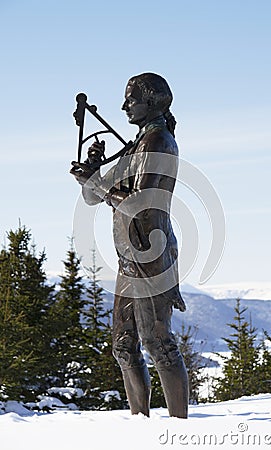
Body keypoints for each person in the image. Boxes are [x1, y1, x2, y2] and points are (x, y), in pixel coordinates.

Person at [70, 73, 189, 418]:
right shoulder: (135, 145)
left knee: (158, 343)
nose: (124, 106)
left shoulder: (159, 142)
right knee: (124, 346)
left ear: (152, 103)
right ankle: (140, 425)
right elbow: (93, 197)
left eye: (131, 99)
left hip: (151, 257)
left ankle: (179, 427)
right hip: (129, 259)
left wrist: (97, 184)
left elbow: (139, 203)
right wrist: (92, 172)